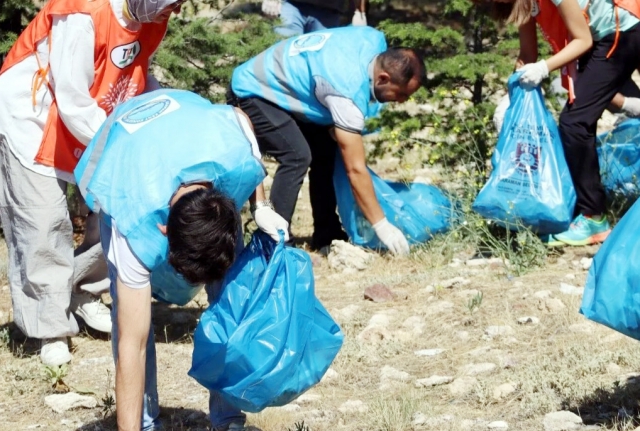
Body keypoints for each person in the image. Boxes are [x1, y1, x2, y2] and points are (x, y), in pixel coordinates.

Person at [0, 0, 182, 367]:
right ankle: (50, 328)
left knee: (110, 211)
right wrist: (122, 147)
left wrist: (163, 113)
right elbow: (72, 99)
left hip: (92, 122)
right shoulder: (83, 13)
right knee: (43, 224)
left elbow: (137, 73)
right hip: (34, 120)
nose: (178, 9)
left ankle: (82, 291)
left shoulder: (153, 14)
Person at [74, 89, 287, 431]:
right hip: (124, 143)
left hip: (189, 120)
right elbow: (134, 343)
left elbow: (241, 120)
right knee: (132, 320)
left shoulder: (232, 155)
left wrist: (261, 206)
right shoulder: (131, 216)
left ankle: (228, 418)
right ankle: (141, 420)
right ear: (162, 230)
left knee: (231, 294)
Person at [227, 26, 426, 255]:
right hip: (255, 90)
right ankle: (275, 242)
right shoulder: (347, 90)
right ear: (383, 78)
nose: (400, 101)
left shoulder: (375, 40)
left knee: (326, 153)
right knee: (297, 156)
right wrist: (382, 225)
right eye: (400, 94)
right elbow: (355, 169)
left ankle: (327, 234)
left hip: (286, 84)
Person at [483, 0, 640, 246]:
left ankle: (594, 219)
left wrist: (544, 68)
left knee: (574, 121)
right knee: (585, 106)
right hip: (599, 38)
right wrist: (512, 94)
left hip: (622, 30)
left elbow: (582, 41)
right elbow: (527, 55)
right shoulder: (522, 4)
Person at [261, 0, 368, 37]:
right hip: (292, 6)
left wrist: (359, 11)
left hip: (329, 13)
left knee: (320, 67)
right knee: (283, 58)